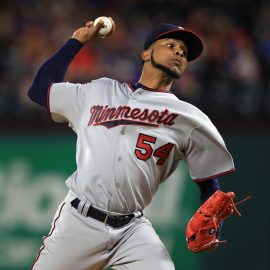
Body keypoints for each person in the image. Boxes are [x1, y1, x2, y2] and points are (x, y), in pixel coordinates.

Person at [28, 18, 235, 270]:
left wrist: (214, 227)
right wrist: (78, 40)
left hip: (131, 231)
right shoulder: (100, 91)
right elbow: (40, 89)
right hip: (78, 222)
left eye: (184, 51)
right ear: (145, 53)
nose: (180, 51)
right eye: (171, 44)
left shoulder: (190, 118)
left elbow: (211, 187)